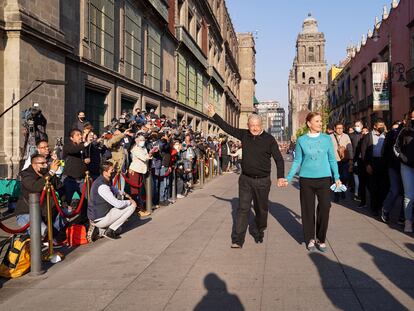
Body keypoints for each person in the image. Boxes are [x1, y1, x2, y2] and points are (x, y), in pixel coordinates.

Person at [207, 104, 285, 248]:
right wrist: (214, 115)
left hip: (262, 181)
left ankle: (259, 229)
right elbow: (227, 127)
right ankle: (237, 240)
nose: (254, 128)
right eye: (252, 125)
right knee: (243, 209)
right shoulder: (244, 135)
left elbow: (278, 159)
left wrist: (280, 176)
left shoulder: (269, 139)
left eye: (257, 125)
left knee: (261, 210)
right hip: (246, 180)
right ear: (248, 125)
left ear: (261, 125)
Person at [285, 112, 340, 252]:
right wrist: (289, 177)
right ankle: (309, 238)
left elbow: (332, 159)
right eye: (317, 121)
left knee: (325, 208)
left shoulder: (327, 139)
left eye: (321, 121)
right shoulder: (301, 140)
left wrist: (337, 177)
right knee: (308, 210)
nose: (320, 123)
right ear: (309, 123)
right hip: (306, 179)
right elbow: (297, 160)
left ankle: (321, 239)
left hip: (324, 178)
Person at [15, 155, 66, 243]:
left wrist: (65, 203)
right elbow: (35, 187)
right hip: (27, 212)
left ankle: (49, 241)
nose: (45, 165)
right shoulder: (26, 175)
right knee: (42, 230)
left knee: (65, 215)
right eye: (42, 163)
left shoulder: (47, 172)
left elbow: (60, 186)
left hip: (46, 211)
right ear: (34, 165)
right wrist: (51, 172)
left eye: (46, 163)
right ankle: (34, 238)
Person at [87, 161, 136, 240]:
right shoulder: (102, 186)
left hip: (98, 215)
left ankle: (101, 230)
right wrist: (130, 201)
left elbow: (114, 189)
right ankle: (109, 231)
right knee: (132, 206)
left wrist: (125, 194)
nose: (114, 171)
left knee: (119, 229)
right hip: (100, 218)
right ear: (105, 172)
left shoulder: (102, 180)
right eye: (111, 170)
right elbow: (118, 204)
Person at [360, 118, 389, 216]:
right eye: (379, 125)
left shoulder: (385, 136)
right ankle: (374, 208)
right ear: (375, 126)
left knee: (383, 187)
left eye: (382, 125)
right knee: (374, 187)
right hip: (372, 163)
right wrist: (367, 165)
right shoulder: (368, 136)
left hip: (383, 163)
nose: (381, 127)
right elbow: (363, 152)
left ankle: (381, 205)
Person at [394, 108, 414, 232]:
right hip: (406, 167)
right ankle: (408, 222)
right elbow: (396, 147)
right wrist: (403, 158)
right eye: (412, 117)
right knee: (409, 195)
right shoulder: (404, 131)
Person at [129, 135, 152, 217]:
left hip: (141, 170)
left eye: (143, 139)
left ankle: (140, 208)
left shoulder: (144, 148)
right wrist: (149, 155)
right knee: (135, 191)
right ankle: (137, 210)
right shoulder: (135, 149)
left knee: (139, 191)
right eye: (141, 140)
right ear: (136, 141)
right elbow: (144, 157)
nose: (143, 141)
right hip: (135, 170)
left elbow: (147, 157)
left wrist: (149, 154)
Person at [330, 122, 353, 202]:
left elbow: (350, 148)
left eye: (341, 128)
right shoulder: (330, 137)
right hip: (334, 161)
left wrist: (351, 159)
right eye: (338, 128)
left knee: (344, 177)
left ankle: (342, 189)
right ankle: (336, 194)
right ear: (334, 129)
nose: (340, 130)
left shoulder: (346, 136)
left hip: (344, 160)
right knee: (335, 178)